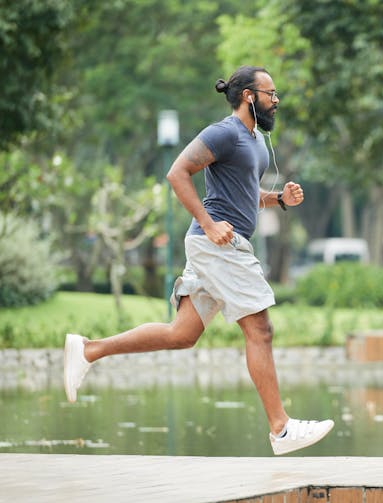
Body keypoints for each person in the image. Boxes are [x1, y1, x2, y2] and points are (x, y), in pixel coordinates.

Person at [63, 65, 334, 456]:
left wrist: (277, 199)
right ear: (248, 96)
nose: (276, 101)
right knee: (260, 328)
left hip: (223, 244)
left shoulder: (256, 140)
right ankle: (281, 428)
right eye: (270, 93)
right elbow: (178, 173)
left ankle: (88, 350)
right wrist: (208, 224)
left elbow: (242, 192)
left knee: (182, 335)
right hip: (218, 245)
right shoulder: (223, 132)